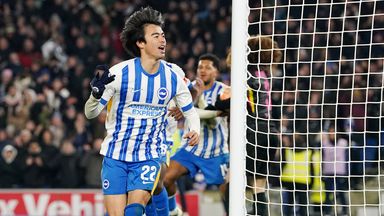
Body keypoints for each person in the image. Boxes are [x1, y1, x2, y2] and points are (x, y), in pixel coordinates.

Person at [84, 7, 200, 216]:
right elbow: (90, 114)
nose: (162, 40)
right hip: (115, 155)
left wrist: (195, 130)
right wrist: (94, 95)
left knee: (136, 209)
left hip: (149, 153)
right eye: (155, 36)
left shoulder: (173, 75)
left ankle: (168, 212)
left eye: (163, 35)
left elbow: (190, 111)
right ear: (141, 43)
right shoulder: (119, 74)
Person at [163, 53, 230, 216]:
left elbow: (214, 119)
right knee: (166, 179)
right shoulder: (187, 89)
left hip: (216, 152)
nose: (203, 70)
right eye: (200, 67)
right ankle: (173, 212)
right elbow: (175, 111)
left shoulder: (225, 91)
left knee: (227, 194)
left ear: (216, 72)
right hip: (191, 149)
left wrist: (191, 106)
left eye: (208, 67)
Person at [245, 35, 282, 215]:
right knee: (259, 183)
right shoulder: (265, 74)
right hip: (270, 131)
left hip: (254, 130)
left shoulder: (247, 75)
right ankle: (259, 211)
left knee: (231, 177)